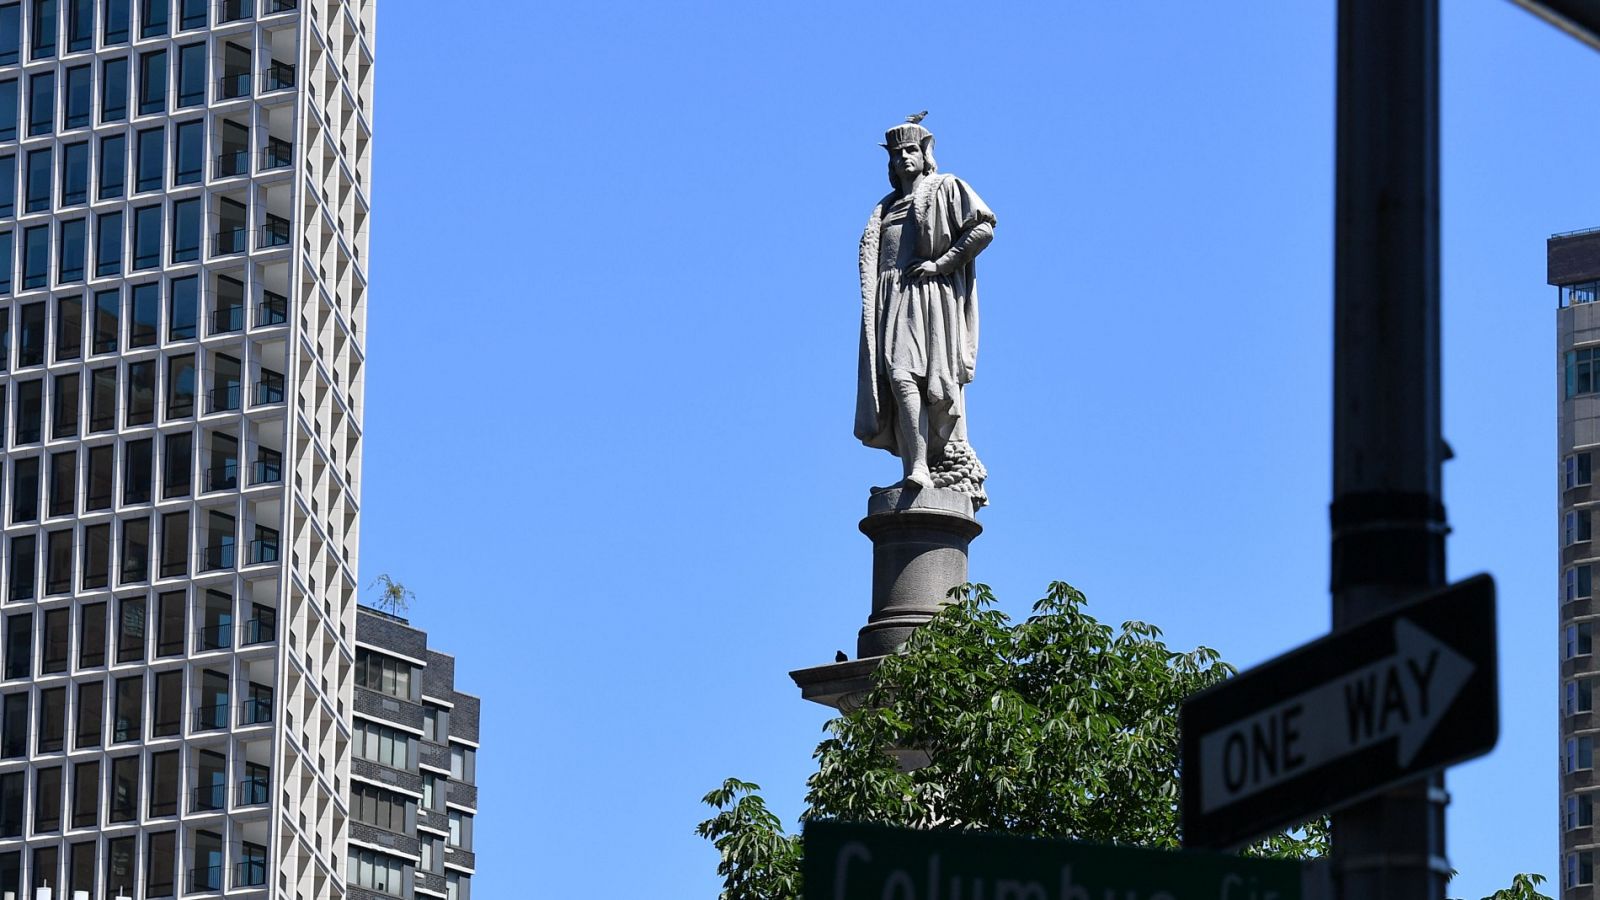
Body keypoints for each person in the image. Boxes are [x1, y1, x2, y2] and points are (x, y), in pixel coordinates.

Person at [854, 115, 995, 504]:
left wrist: (942, 263)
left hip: (925, 298)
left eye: (910, 151)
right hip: (889, 300)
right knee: (892, 384)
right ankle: (915, 469)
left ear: (925, 153)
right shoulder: (884, 208)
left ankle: (920, 466)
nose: (903, 159)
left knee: (907, 376)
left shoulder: (944, 187)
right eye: (897, 155)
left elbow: (983, 226)